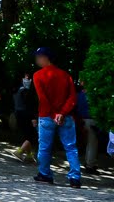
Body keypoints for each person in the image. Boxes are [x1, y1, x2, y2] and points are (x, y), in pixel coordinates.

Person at [32, 47, 80, 187]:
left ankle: (45, 174)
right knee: (71, 147)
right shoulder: (65, 75)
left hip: (47, 116)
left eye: (39, 56)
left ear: (46, 58)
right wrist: (62, 113)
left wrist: (54, 114)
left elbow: (43, 98)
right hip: (66, 117)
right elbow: (72, 98)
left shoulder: (38, 75)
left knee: (45, 147)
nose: (37, 59)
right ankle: (75, 177)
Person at [75, 80, 100, 173]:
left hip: (82, 120)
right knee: (92, 143)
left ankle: (88, 162)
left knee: (87, 143)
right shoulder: (93, 95)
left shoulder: (78, 95)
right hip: (91, 119)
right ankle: (90, 164)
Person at [13, 71, 38, 163]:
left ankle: (29, 155)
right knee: (32, 135)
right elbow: (29, 105)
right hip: (26, 114)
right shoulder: (26, 90)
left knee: (26, 135)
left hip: (17, 113)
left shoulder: (17, 88)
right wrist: (33, 117)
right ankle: (20, 151)